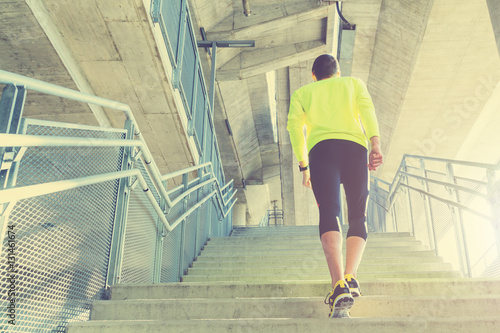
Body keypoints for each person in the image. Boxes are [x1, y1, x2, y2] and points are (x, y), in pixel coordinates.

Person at [287, 54, 383, 318]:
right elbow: (367, 110)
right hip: (354, 149)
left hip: (321, 152)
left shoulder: (302, 93)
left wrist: (304, 165)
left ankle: (338, 284)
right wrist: (375, 144)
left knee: (329, 213)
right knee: (358, 215)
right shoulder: (353, 84)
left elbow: (295, 128)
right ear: (337, 73)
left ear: (314, 75)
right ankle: (351, 276)